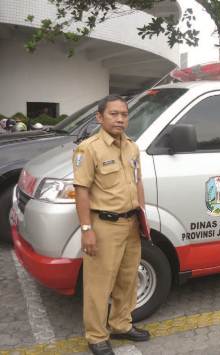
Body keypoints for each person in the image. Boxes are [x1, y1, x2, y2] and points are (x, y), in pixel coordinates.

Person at [73, 95, 150, 355]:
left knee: (127, 280)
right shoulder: (89, 148)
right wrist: (86, 230)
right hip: (104, 225)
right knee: (99, 284)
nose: (120, 119)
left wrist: (142, 215)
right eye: (113, 114)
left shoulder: (132, 147)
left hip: (131, 224)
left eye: (124, 114)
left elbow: (138, 182)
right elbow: (81, 191)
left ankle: (120, 324)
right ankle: (96, 336)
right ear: (99, 117)